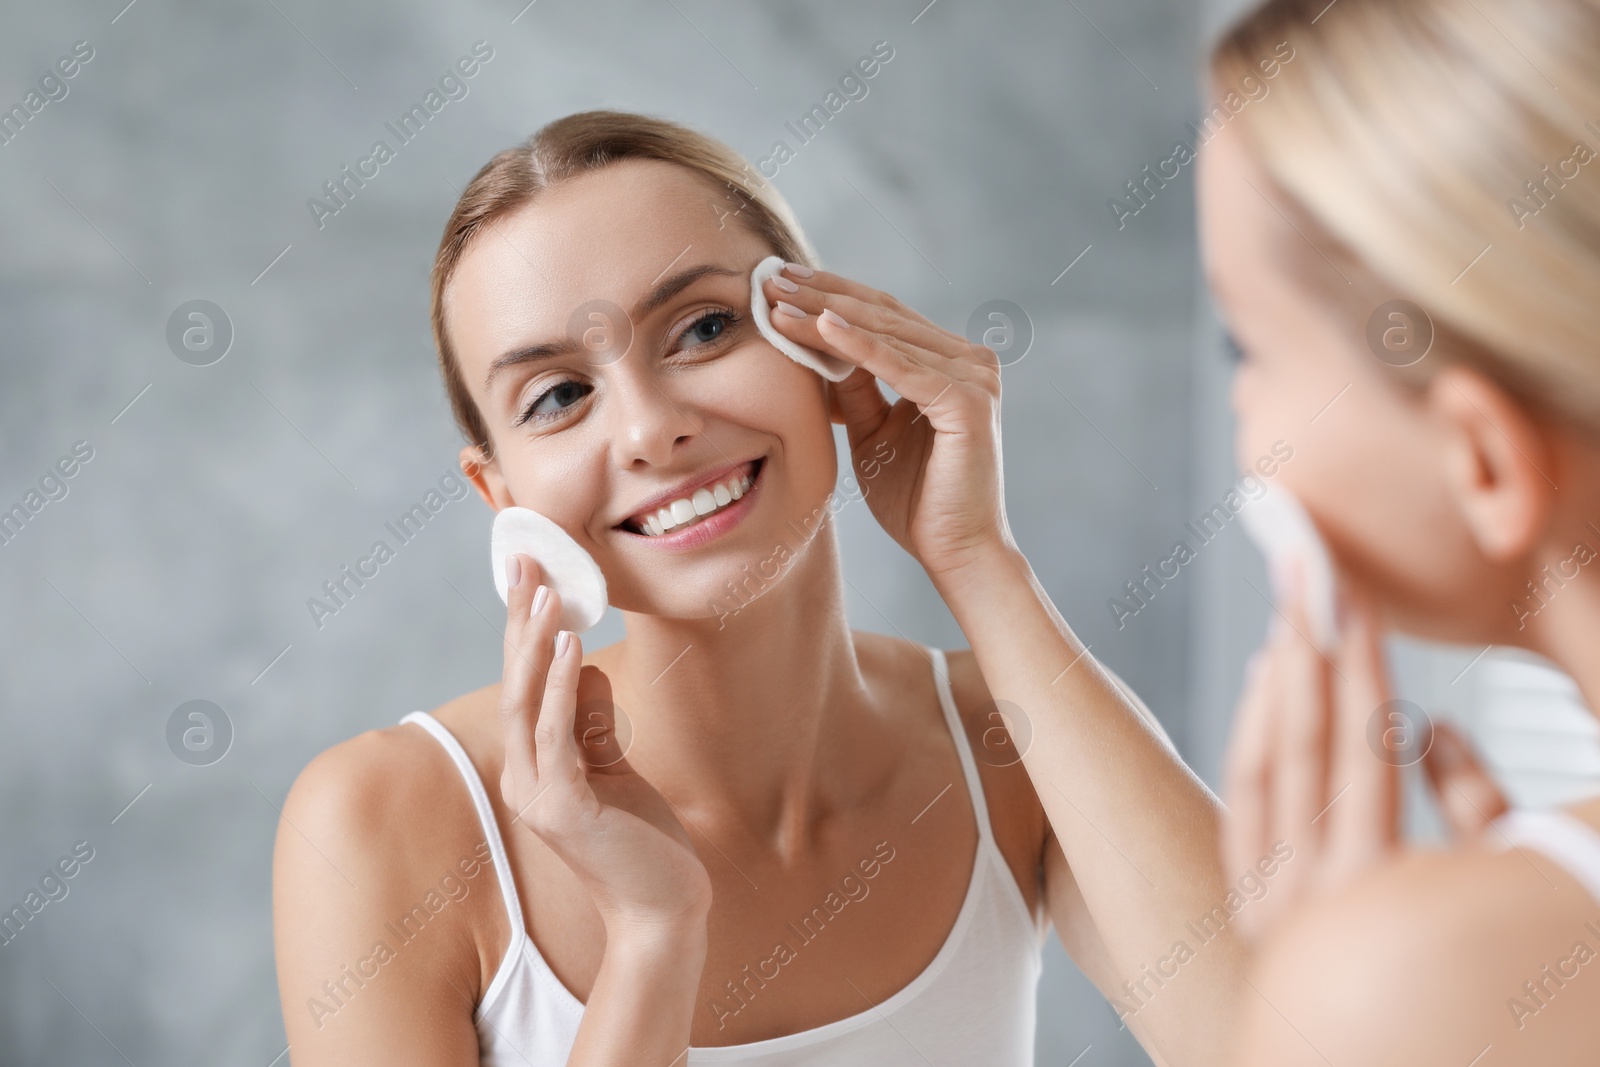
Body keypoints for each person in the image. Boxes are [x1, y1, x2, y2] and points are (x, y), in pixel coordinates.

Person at [272, 111, 1244, 1065]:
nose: (651, 428)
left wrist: (978, 559)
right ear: (502, 491)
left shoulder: (1008, 741)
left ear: (824, 339)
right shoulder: (384, 819)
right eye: (560, 395)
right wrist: (653, 934)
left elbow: (1269, 1040)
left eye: (701, 327)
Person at [1198, 0, 1600, 1063]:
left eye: (1247, 349)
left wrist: (1335, 996)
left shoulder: (1400, 978)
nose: (1241, 419)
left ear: (1482, 458)